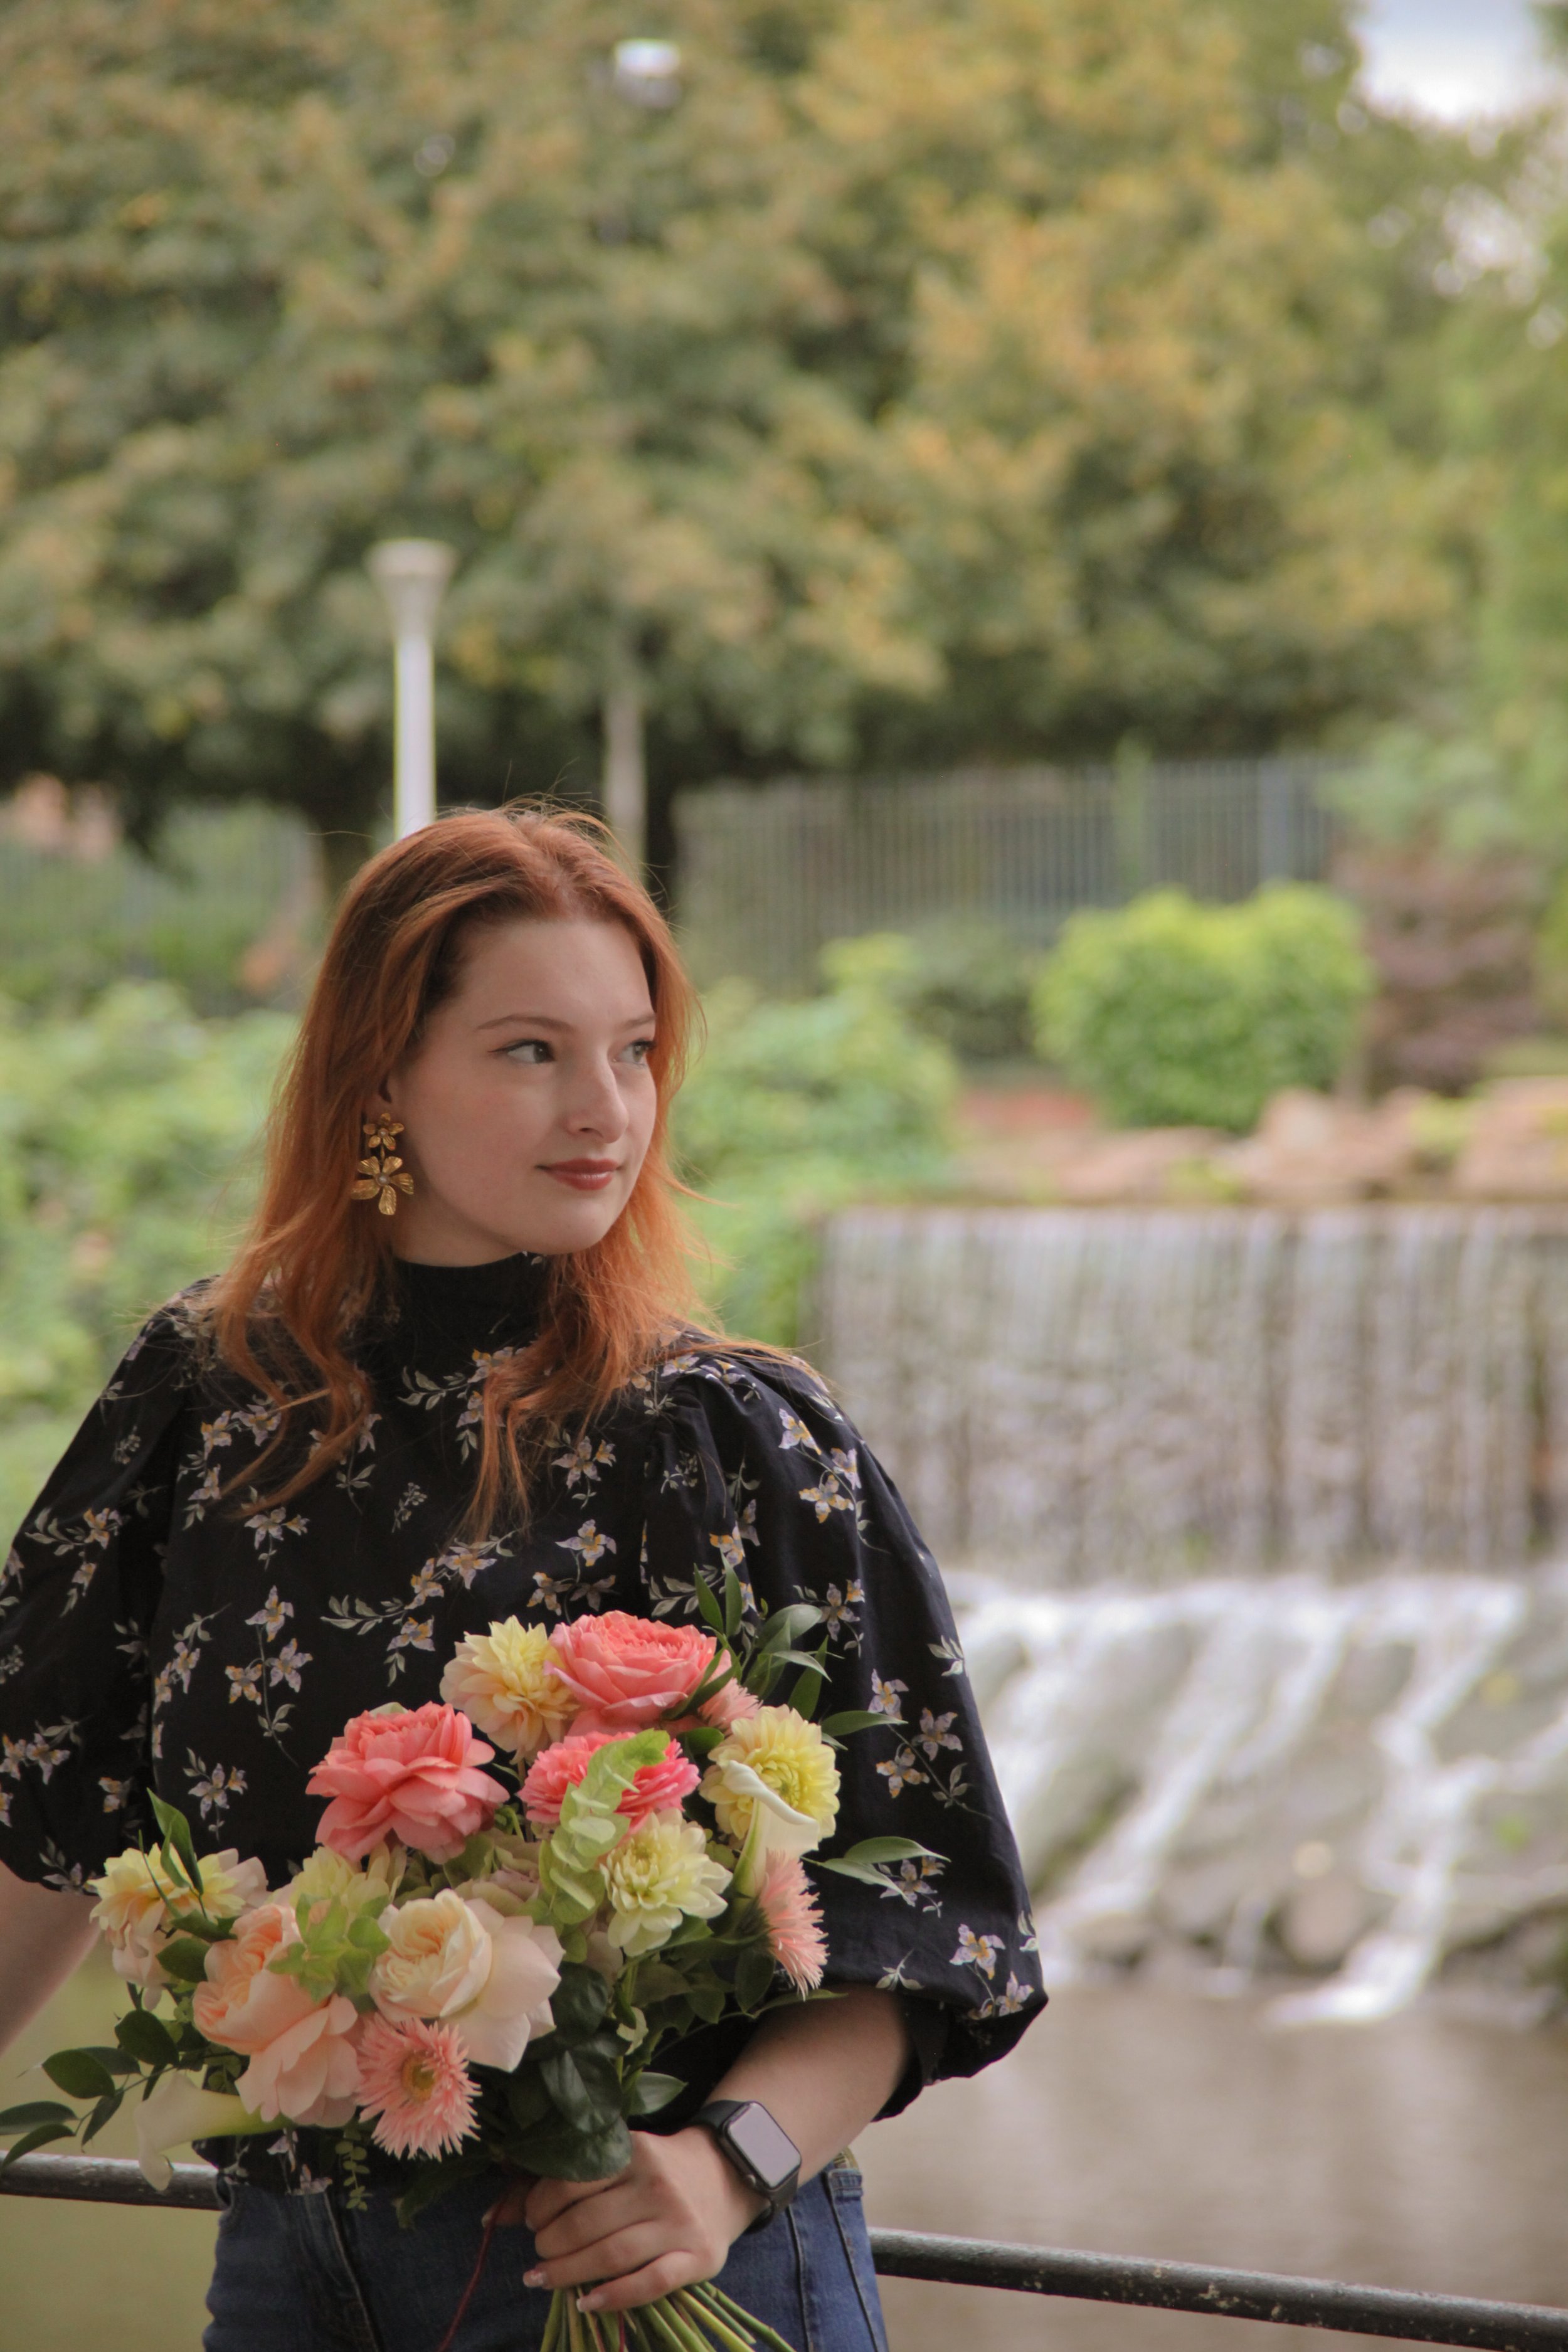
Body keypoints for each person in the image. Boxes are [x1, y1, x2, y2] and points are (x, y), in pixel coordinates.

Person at [0, 808, 1044, 2352]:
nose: (602, 1108)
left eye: (632, 1050)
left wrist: (727, 2163)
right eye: (530, 1051)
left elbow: (930, 1922)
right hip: (289, 2271)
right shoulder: (204, 1401)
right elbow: (40, 1816)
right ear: (379, 1074)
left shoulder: (728, 1435)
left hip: (655, 2265)